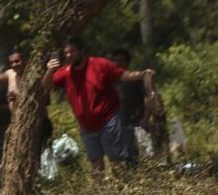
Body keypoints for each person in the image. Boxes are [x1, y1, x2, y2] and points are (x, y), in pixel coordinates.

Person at [45, 36, 154, 178]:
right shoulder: (66, 72)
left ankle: (125, 193)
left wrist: (142, 74)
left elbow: (124, 75)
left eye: (72, 51)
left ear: (82, 50)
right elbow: (47, 85)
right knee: (96, 165)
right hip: (86, 126)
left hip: (108, 120)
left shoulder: (100, 65)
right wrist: (49, 71)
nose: (68, 55)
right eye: (66, 53)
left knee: (116, 162)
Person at [111, 48, 149, 160]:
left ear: (128, 62)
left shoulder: (135, 79)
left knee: (143, 156)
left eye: (121, 60)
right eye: (115, 60)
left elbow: (149, 99)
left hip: (137, 122)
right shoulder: (111, 82)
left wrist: (146, 118)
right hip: (118, 125)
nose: (118, 63)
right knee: (125, 158)